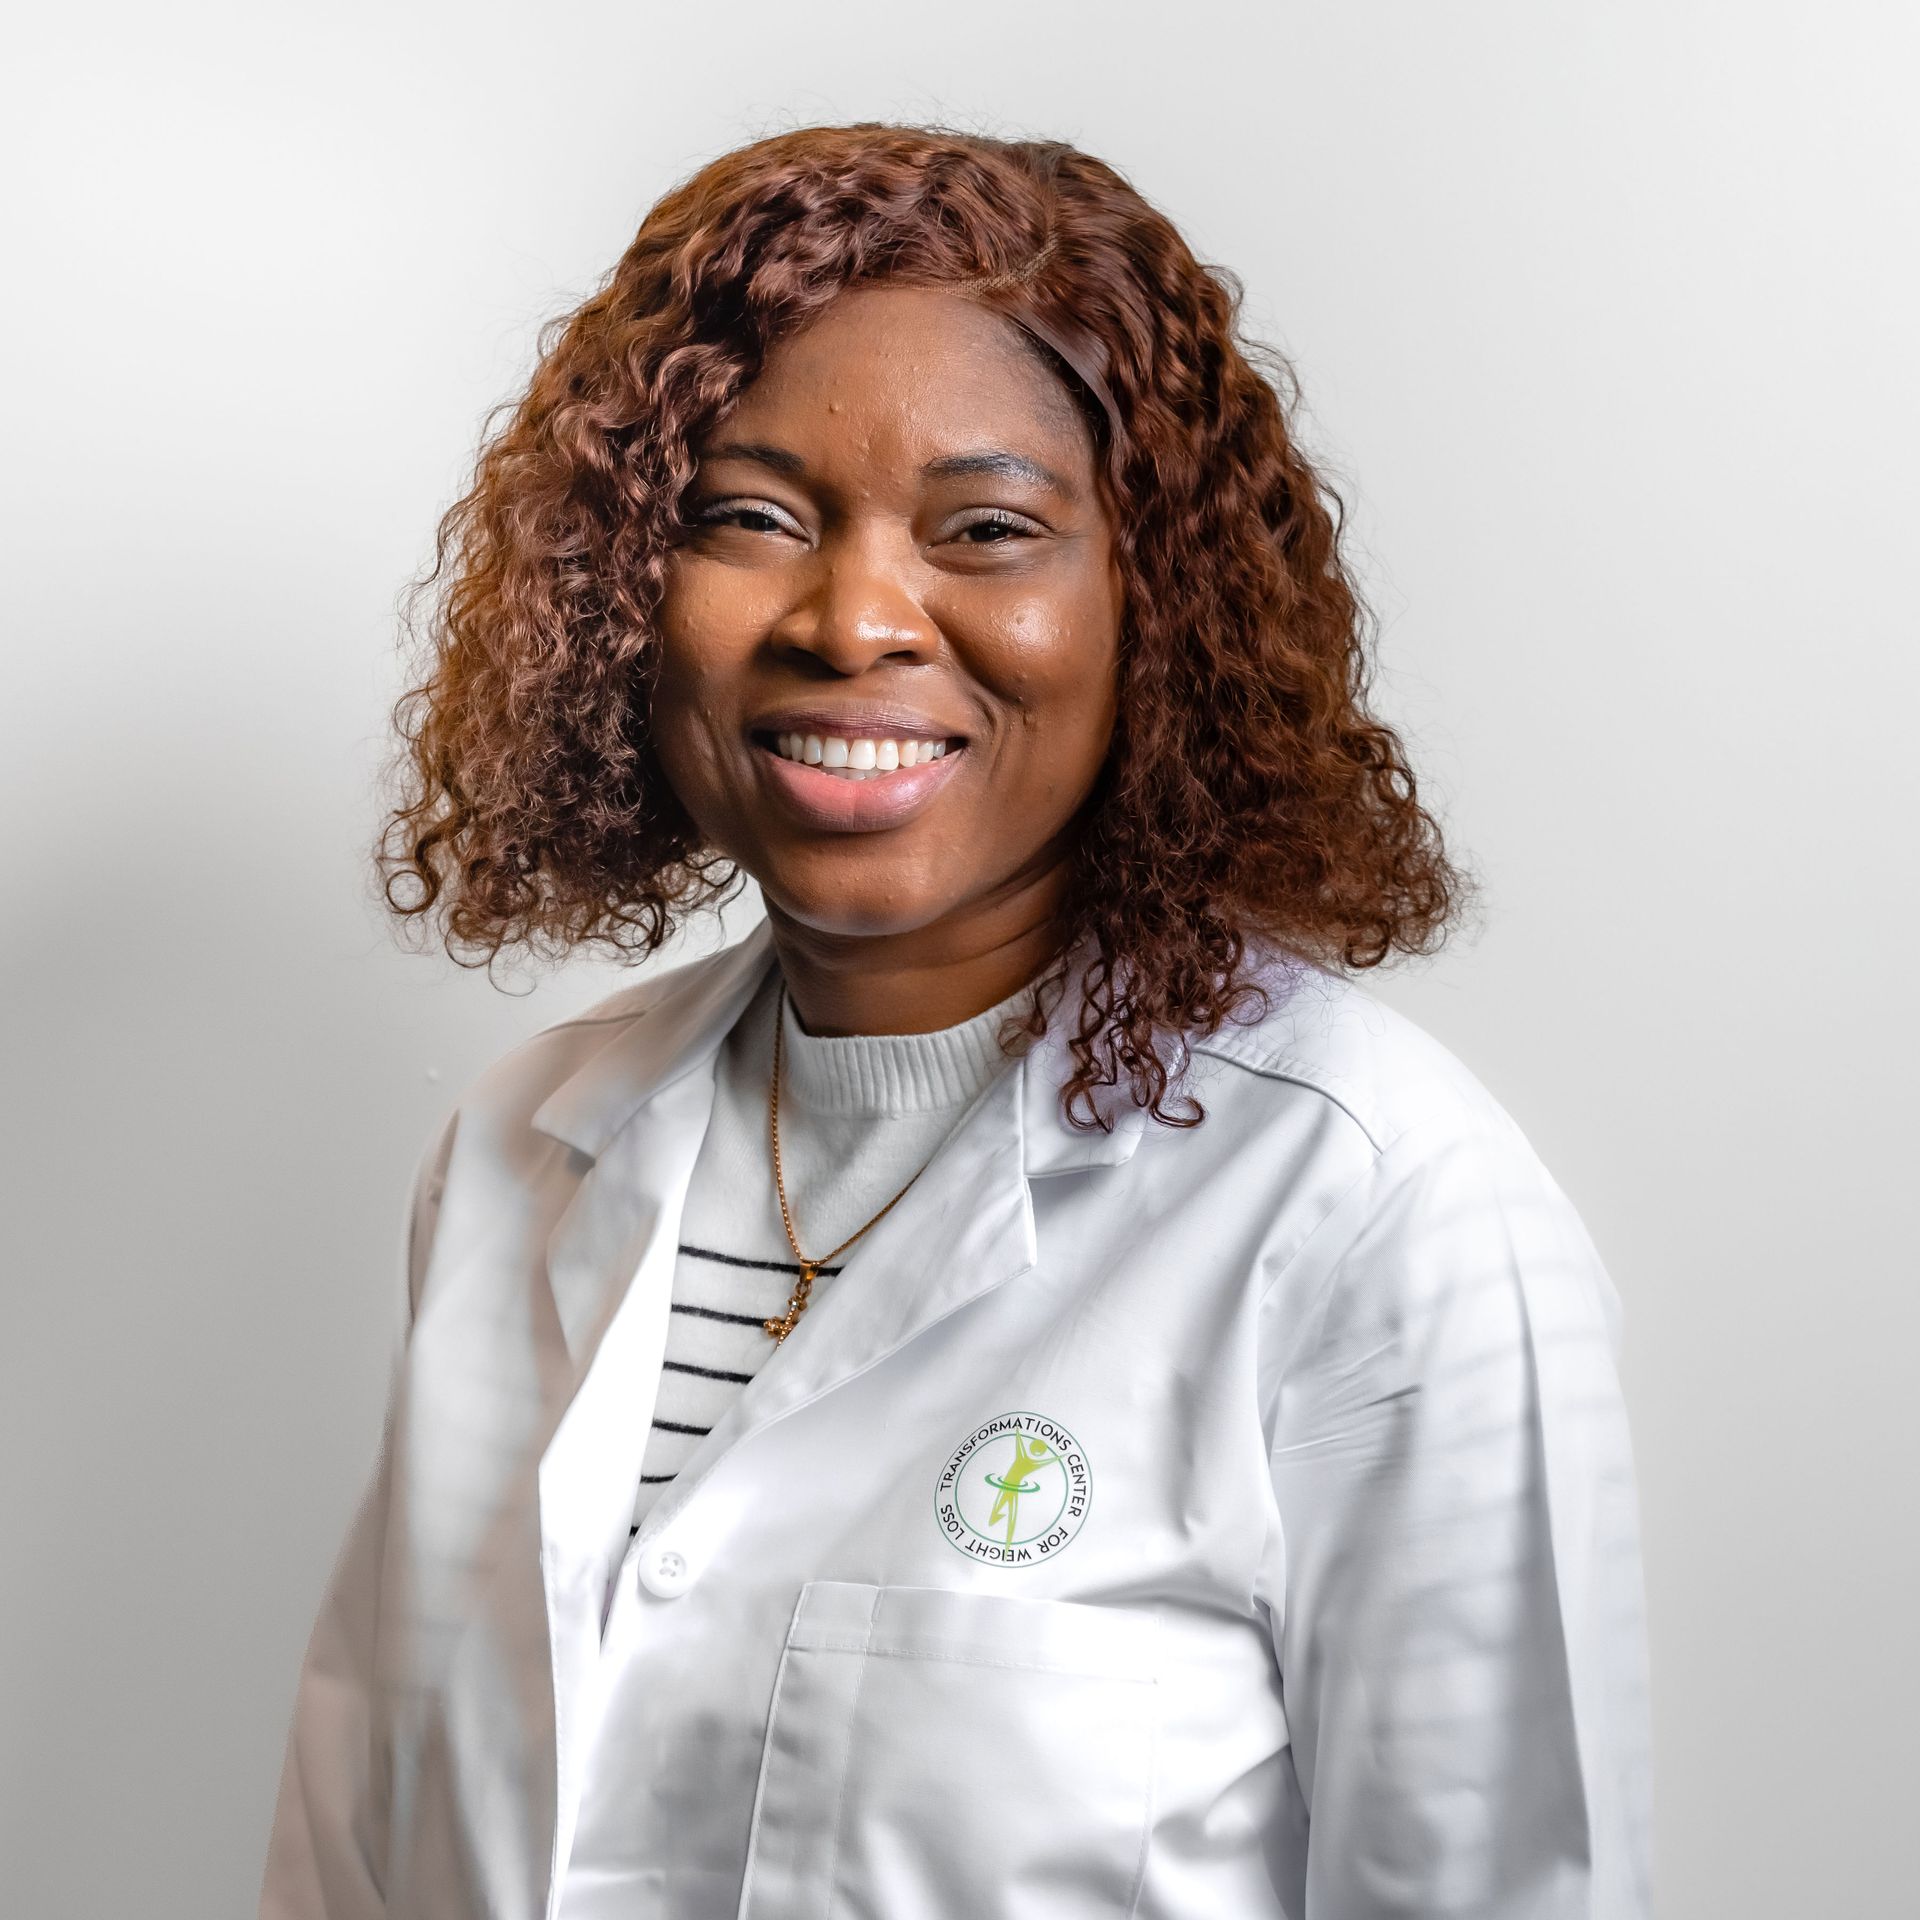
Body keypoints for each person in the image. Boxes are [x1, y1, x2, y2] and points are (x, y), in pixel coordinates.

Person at [259, 123, 1653, 1920]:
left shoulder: (1379, 1208)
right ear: (626, 588)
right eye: (750, 517)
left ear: (1160, 607)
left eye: (987, 529)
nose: (852, 620)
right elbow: (350, 1853)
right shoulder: (524, 1150)